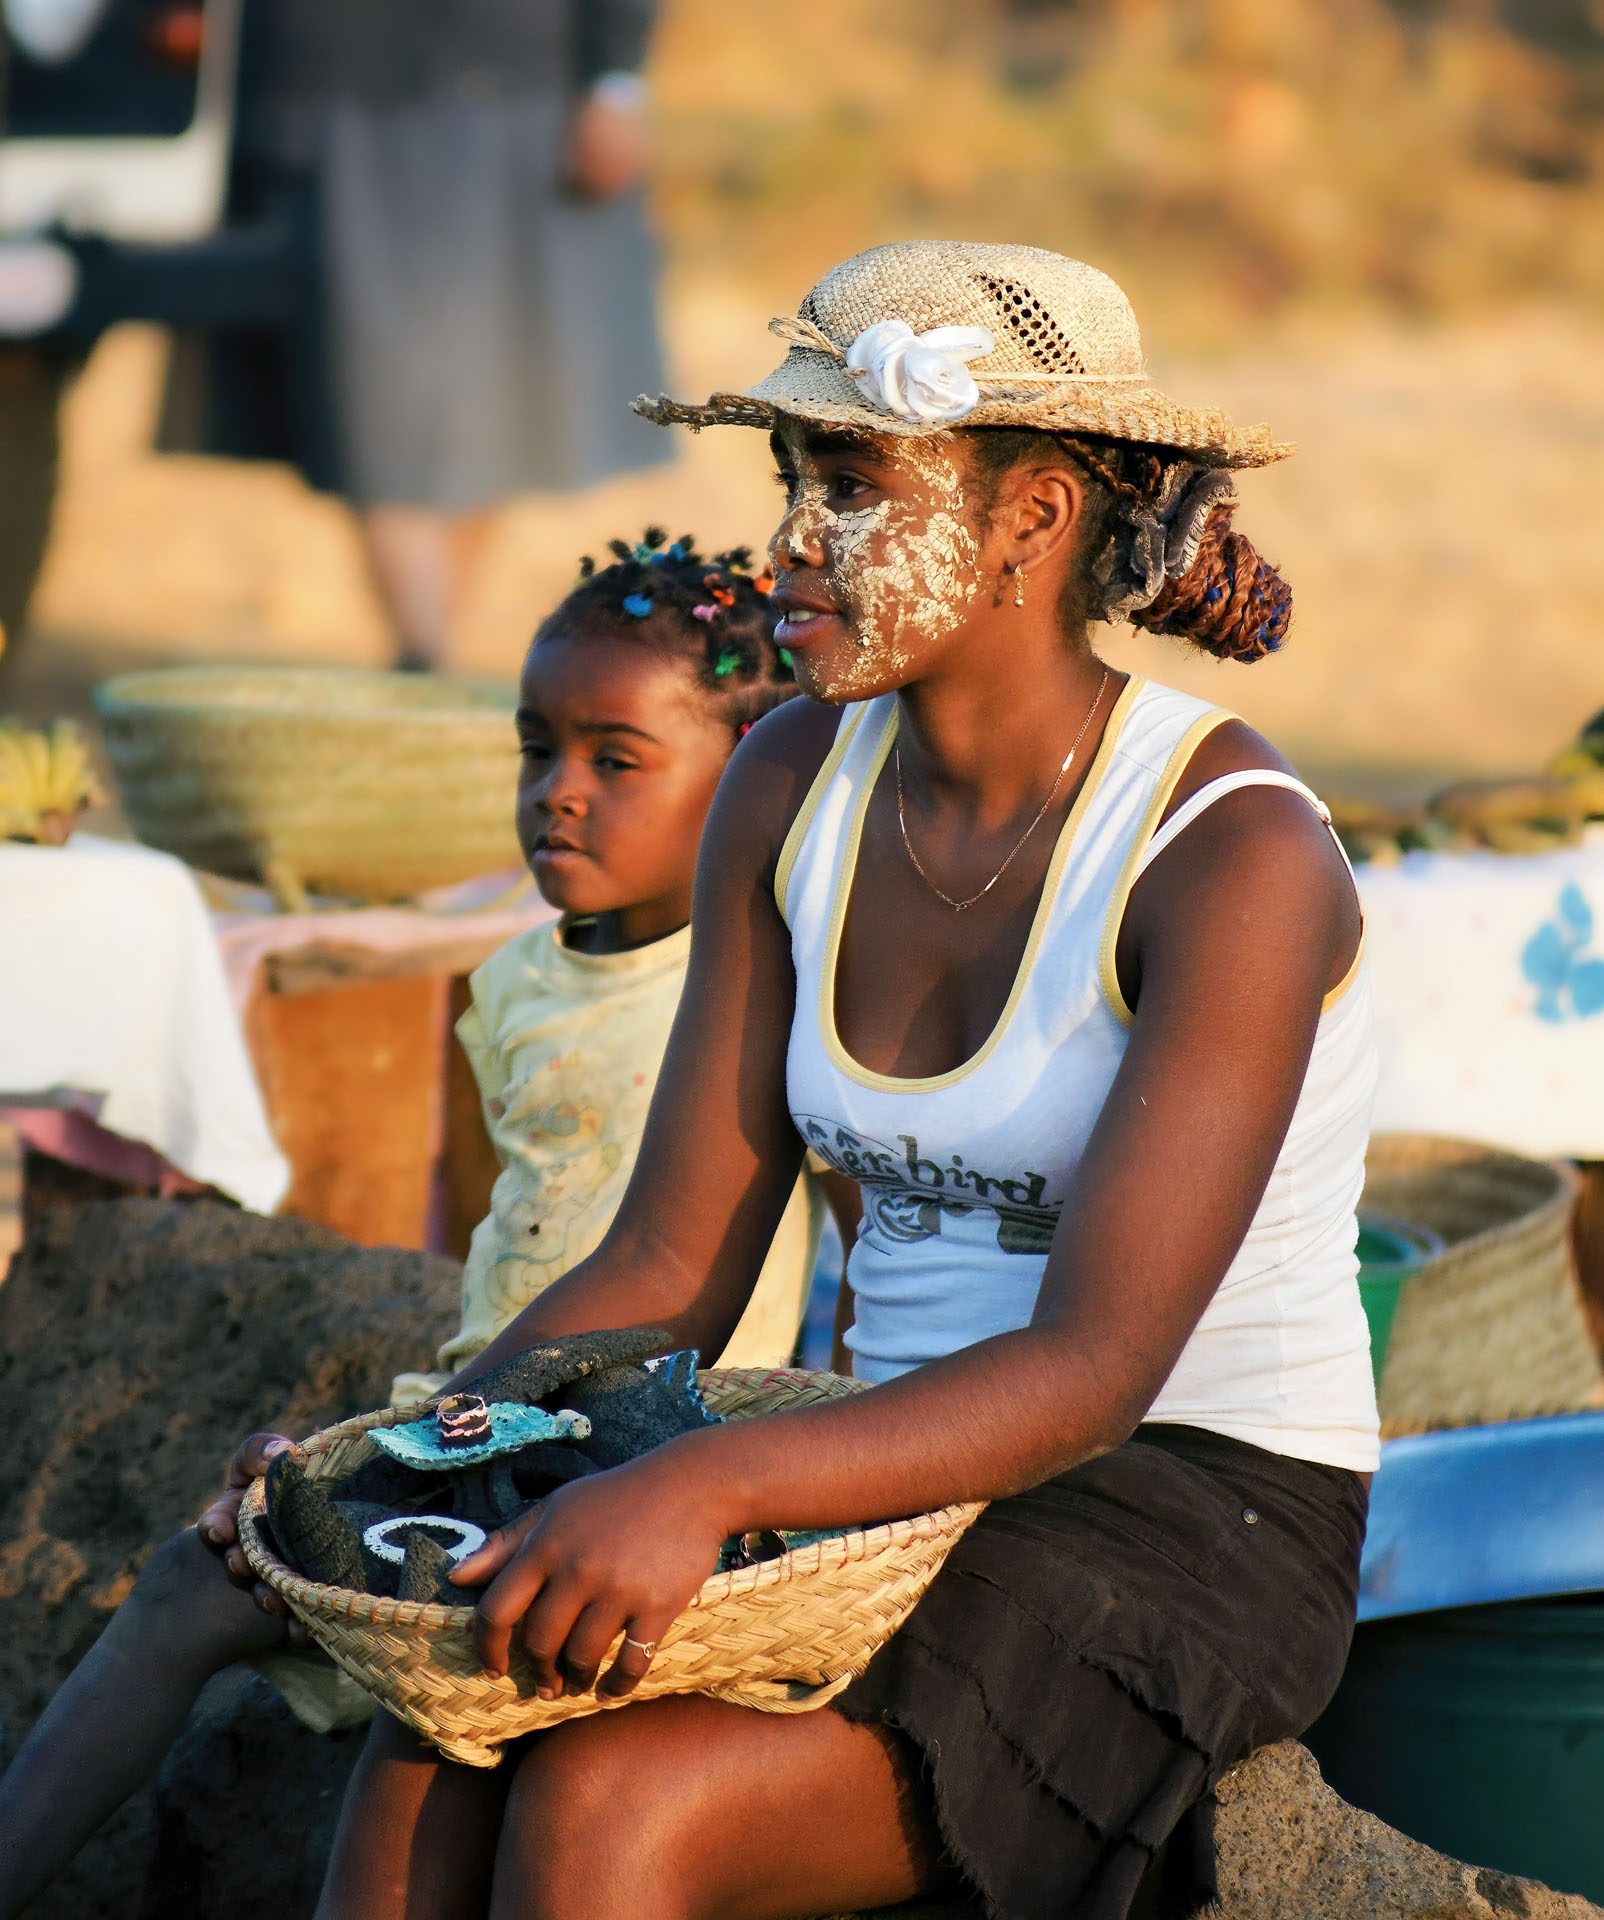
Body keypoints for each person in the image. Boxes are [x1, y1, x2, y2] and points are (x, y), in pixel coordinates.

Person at [285, 239, 1379, 1920]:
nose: (790, 539)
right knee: (438, 1736)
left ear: (1029, 518)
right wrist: (400, 1458)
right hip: (865, 1455)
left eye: (852, 481)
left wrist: (700, 1481)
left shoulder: (1222, 855)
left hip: (1178, 1499)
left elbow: (1091, 1370)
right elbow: (665, 1265)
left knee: (604, 1810)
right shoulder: (789, 778)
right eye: (788, 475)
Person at [0, 530, 856, 1919]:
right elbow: (498, 1235)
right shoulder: (516, 979)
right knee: (206, 1583)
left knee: (407, 1736)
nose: (556, 797)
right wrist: (386, 1447)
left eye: (614, 760)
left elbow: (834, 1260)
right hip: (469, 1436)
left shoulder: (764, 989)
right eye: (537, 752)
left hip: (617, 1476)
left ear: (756, 785)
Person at [158, 0, 670, 671]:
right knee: (364, 396)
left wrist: (615, 82)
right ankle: (425, 651)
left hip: (522, 92)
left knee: (497, 394)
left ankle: (425, 654)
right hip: (319, 85)